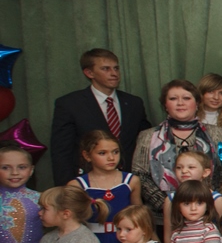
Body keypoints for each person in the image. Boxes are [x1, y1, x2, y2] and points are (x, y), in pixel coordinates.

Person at [132, 79, 222, 220]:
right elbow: (140, 175)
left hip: (208, 214)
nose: (180, 103)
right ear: (165, 105)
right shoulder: (148, 135)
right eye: (173, 98)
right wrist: (170, 205)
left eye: (186, 98)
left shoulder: (216, 133)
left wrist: (205, 202)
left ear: (197, 103)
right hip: (163, 217)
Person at [51, 48, 149, 186]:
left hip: (128, 182)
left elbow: (144, 143)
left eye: (116, 68)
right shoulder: (70, 104)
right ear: (89, 73)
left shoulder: (134, 103)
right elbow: (61, 152)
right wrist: (67, 190)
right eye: (105, 69)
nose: (114, 73)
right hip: (88, 183)